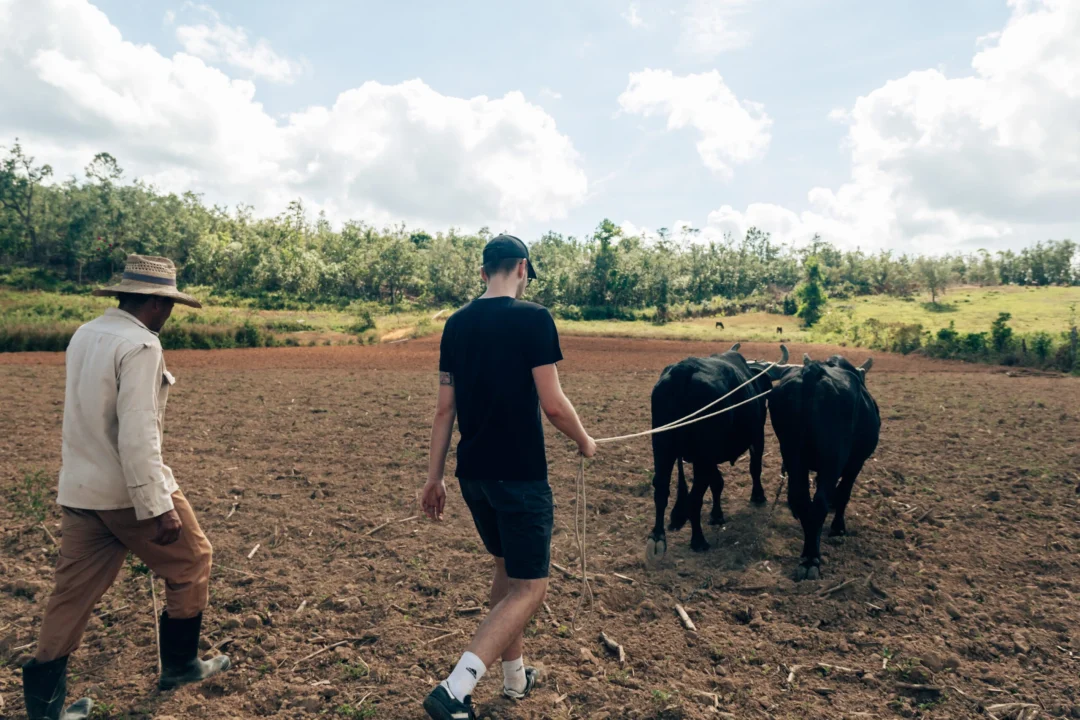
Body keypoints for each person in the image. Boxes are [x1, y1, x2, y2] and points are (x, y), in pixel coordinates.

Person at [21, 255, 230, 720]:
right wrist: (158, 505)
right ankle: (180, 665)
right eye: (169, 304)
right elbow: (138, 433)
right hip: (128, 493)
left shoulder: (85, 333)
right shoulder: (141, 345)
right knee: (193, 561)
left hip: (80, 490)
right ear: (157, 302)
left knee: (70, 596)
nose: (170, 313)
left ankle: (45, 712)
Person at [420, 235, 597, 720]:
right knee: (530, 588)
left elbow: (443, 410)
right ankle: (455, 689)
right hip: (519, 477)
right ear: (521, 268)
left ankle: (516, 678)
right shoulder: (533, 318)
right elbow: (554, 404)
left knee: (506, 569)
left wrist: (433, 478)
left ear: (484, 272)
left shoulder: (455, 325)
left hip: (473, 476)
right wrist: (584, 441)